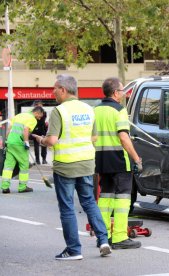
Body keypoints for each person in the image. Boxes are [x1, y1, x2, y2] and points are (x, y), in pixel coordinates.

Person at [32, 74, 111, 260]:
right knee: (90, 203)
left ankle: (74, 250)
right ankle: (104, 240)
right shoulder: (89, 109)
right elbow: (94, 138)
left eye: (55, 88)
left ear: (63, 90)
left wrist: (40, 139)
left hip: (66, 166)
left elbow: (51, 141)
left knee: (67, 208)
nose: (53, 92)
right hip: (86, 164)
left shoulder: (59, 111)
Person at [94, 77, 142, 250]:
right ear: (115, 93)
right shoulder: (119, 110)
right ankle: (120, 237)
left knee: (105, 198)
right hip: (119, 160)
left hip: (101, 160)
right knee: (122, 199)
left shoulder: (96, 110)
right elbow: (123, 137)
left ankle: (103, 235)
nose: (124, 94)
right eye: (122, 91)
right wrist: (136, 158)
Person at [1, 106, 44, 193]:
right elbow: (26, 129)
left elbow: (9, 128)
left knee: (8, 166)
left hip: (10, 142)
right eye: (40, 116)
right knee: (24, 165)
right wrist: (26, 142)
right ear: (37, 112)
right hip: (19, 144)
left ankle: (5, 187)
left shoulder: (19, 115)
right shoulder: (32, 119)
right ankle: (22, 187)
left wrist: (6, 140)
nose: (39, 118)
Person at [30, 100, 48, 164]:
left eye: (41, 104)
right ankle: (38, 160)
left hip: (41, 130)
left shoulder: (43, 112)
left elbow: (42, 121)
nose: (41, 106)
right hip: (37, 129)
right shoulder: (34, 112)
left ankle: (43, 159)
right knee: (36, 146)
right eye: (40, 104)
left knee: (43, 144)